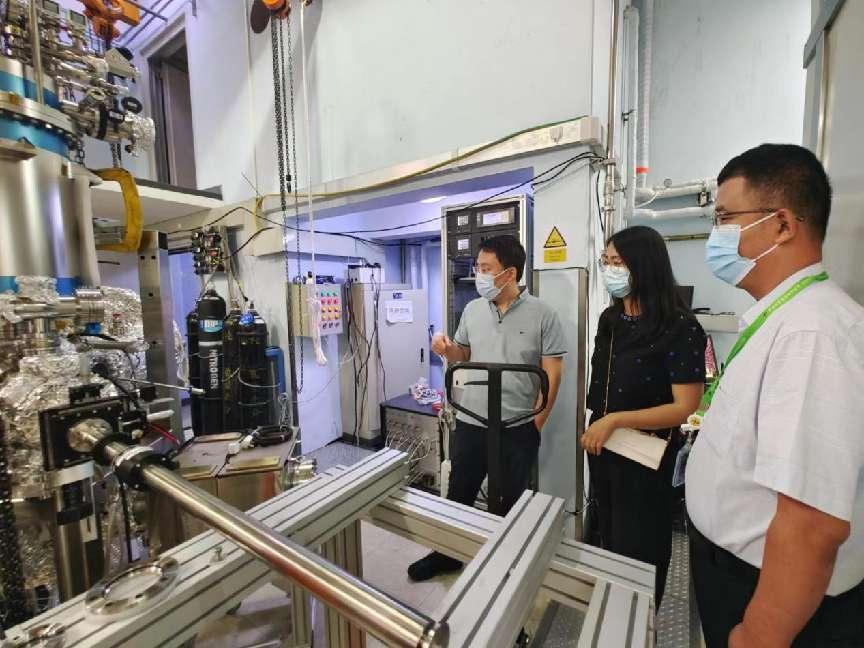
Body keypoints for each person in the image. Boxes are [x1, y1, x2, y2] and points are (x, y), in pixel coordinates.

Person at [686, 144, 864, 647]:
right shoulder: (785, 318)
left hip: (771, 601)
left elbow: (812, 523)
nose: (716, 234)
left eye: (725, 218)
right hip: (737, 573)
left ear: (783, 224)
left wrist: (759, 635)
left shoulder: (813, 334)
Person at [407, 234, 566, 581]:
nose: (478, 274)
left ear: (510, 274)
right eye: (477, 267)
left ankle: (506, 566)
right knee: (459, 493)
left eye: (485, 268)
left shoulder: (544, 315)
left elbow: (552, 373)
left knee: (512, 501)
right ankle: (448, 554)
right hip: (472, 419)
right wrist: (445, 349)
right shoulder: (473, 310)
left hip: (518, 425)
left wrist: (537, 422)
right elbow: (463, 353)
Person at [582, 225, 706, 605]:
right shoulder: (610, 319)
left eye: (618, 262)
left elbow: (685, 406)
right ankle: (611, 611)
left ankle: (641, 618)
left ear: (644, 265)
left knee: (641, 547)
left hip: (646, 458)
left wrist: (616, 420)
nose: (610, 270)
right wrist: (600, 424)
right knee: (607, 536)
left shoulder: (680, 327)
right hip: (603, 448)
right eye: (606, 261)